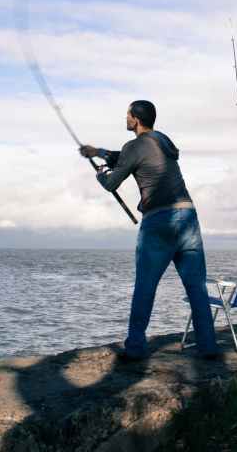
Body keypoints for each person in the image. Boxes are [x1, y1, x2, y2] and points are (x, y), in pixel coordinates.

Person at [79, 100, 222, 361]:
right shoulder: (162, 141)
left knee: (145, 285)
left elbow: (112, 182)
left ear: (135, 119)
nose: (125, 117)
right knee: (196, 287)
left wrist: (100, 173)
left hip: (159, 220)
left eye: (127, 114)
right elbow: (128, 157)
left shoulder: (134, 146)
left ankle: (134, 348)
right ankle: (209, 347)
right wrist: (97, 151)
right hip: (188, 214)